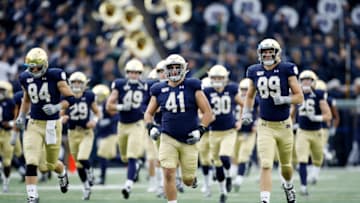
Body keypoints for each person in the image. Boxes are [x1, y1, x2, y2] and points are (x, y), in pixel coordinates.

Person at [144, 54, 214, 203]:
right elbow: (149, 113)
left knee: (187, 180)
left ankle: (191, 179)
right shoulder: (158, 88)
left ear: (184, 69)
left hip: (189, 139)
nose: (175, 71)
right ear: (166, 70)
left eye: (178, 68)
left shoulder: (192, 85)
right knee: (169, 172)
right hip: (168, 137)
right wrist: (150, 127)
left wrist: (200, 130)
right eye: (171, 68)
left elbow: (208, 113)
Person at [241, 39, 303, 203]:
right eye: (264, 52)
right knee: (266, 164)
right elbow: (249, 95)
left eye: (270, 51)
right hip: (265, 125)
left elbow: (299, 97)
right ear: (260, 54)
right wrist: (246, 112)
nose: (267, 54)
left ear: (277, 53)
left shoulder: (286, 68)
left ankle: (288, 186)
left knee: (286, 167)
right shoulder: (254, 71)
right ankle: (265, 200)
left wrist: (284, 99)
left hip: (284, 124)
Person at [16, 47, 75, 203]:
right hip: (33, 123)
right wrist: (21, 116)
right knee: (31, 160)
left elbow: (71, 98)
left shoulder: (55, 75)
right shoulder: (25, 78)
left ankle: (62, 173)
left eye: (37, 66)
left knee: (48, 165)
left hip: (52, 125)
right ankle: (32, 196)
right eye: (31, 66)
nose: (34, 70)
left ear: (45, 64)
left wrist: (57, 107)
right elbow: (26, 99)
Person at [106, 58, 148, 199]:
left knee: (131, 156)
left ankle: (128, 185)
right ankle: (137, 165)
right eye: (131, 72)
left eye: (136, 73)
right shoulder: (119, 84)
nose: (134, 75)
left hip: (137, 124)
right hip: (122, 124)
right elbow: (109, 106)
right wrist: (121, 107)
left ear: (140, 73)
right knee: (125, 157)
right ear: (127, 73)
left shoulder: (146, 86)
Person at [203, 64, 243, 203]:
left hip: (229, 131)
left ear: (225, 78)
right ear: (210, 78)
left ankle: (229, 176)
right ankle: (223, 191)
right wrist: (207, 117)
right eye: (215, 77)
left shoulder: (231, 89)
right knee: (217, 164)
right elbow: (200, 109)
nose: (218, 80)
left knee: (224, 156)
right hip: (214, 132)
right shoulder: (207, 91)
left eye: (220, 77)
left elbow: (242, 104)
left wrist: (240, 120)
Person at [61, 71, 100, 200]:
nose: (77, 85)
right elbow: (60, 113)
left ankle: (90, 174)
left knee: (83, 157)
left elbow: (97, 113)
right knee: (78, 164)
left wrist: (94, 121)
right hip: (72, 133)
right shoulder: (66, 97)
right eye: (74, 82)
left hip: (86, 133)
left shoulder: (89, 96)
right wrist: (63, 118)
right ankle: (86, 187)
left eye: (79, 82)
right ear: (70, 84)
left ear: (85, 84)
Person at [294, 71, 332, 196]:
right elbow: (292, 111)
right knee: (302, 160)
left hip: (316, 131)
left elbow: (328, 115)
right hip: (302, 132)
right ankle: (303, 186)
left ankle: (314, 175)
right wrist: (290, 123)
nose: (306, 82)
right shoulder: (297, 94)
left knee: (318, 158)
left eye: (308, 80)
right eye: (303, 80)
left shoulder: (319, 95)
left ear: (313, 81)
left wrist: (317, 118)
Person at [233, 78, 258, 192]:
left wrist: (256, 124)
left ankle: (239, 178)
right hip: (236, 132)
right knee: (235, 156)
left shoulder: (255, 100)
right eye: (242, 90)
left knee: (243, 155)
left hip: (249, 132)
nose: (244, 93)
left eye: (246, 90)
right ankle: (237, 172)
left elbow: (260, 112)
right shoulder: (235, 99)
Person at [92, 84, 118, 185]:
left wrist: (108, 121)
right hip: (100, 134)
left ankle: (102, 178)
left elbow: (117, 117)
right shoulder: (94, 105)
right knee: (108, 156)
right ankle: (134, 163)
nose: (98, 98)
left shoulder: (107, 105)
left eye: (100, 95)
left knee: (103, 155)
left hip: (110, 133)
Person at [315, 79, 340, 165]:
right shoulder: (310, 100)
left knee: (322, 146)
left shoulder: (329, 100)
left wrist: (334, 128)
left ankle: (327, 156)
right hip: (313, 127)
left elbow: (336, 117)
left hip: (324, 127)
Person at [0, 81, 15, 192]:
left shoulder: (11, 102)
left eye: (2, 90)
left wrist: (9, 123)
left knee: (7, 162)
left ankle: (6, 181)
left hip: (7, 134)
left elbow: (17, 118)